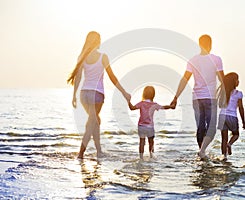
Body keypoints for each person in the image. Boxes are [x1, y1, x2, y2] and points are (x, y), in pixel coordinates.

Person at [67, 31, 131, 159]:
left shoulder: (82, 56)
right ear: (98, 41)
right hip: (97, 94)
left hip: (84, 94)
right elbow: (112, 77)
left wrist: (74, 96)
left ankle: (99, 151)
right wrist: (124, 92)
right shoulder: (103, 56)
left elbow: (78, 77)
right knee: (91, 123)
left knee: (95, 121)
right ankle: (80, 154)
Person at [171, 34, 225, 159]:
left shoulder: (193, 60)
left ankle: (201, 152)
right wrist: (227, 95)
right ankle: (203, 151)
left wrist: (175, 97)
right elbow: (222, 79)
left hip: (197, 98)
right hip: (211, 97)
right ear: (210, 45)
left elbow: (184, 80)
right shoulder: (216, 59)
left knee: (200, 126)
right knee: (211, 128)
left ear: (199, 45)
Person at [128, 86, 174, 160]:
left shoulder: (141, 103)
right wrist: (171, 106)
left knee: (142, 142)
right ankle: (151, 155)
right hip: (150, 127)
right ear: (153, 95)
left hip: (141, 126)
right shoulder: (154, 104)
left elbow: (132, 108)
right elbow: (163, 107)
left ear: (144, 94)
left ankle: (141, 157)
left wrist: (128, 101)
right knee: (151, 141)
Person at [217, 72, 245, 160]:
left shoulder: (223, 92)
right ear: (234, 82)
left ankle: (224, 157)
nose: (238, 81)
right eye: (237, 80)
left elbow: (220, 105)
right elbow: (241, 108)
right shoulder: (238, 93)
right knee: (236, 134)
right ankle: (229, 144)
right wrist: (243, 121)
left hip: (222, 116)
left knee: (224, 139)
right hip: (232, 116)